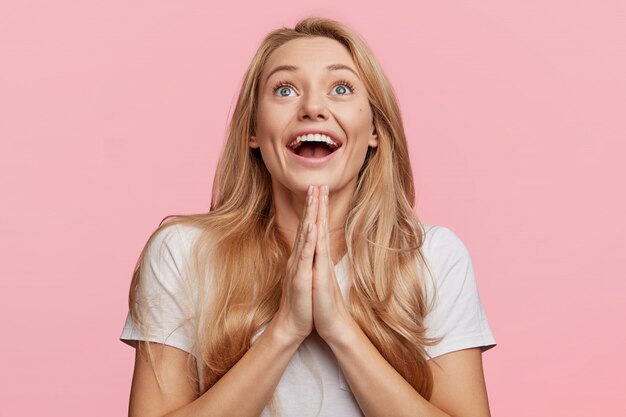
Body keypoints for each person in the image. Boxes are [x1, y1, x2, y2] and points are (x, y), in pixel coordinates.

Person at [120, 16, 497, 417]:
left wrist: (339, 330)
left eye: (340, 88)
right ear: (253, 130)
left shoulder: (434, 257)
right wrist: (286, 330)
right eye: (284, 89)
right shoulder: (183, 253)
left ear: (374, 130)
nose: (313, 108)